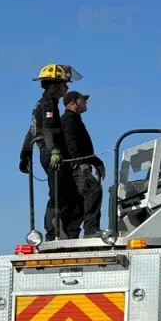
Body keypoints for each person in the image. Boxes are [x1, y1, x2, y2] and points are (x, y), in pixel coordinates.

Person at [20, 64, 82, 240]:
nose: (67, 87)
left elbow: (32, 130)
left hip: (46, 152)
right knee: (58, 193)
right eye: (65, 83)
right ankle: (53, 232)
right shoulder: (48, 103)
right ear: (55, 85)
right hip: (51, 154)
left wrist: (24, 154)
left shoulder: (42, 103)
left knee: (68, 192)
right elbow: (47, 130)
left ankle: (66, 232)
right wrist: (54, 150)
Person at [61, 90, 105, 239]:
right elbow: (70, 142)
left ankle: (72, 234)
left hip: (78, 164)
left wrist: (96, 162)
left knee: (79, 200)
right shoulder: (68, 120)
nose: (86, 102)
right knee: (93, 190)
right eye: (83, 100)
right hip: (75, 166)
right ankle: (91, 229)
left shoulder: (75, 119)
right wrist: (80, 162)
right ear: (74, 102)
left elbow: (82, 145)